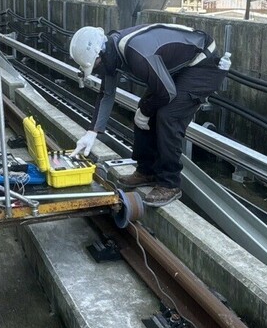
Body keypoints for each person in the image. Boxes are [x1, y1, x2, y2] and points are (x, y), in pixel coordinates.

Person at [69, 24, 230, 207]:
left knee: (167, 116)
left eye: (96, 65)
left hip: (202, 64)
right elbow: (106, 94)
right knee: (144, 109)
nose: (98, 70)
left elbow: (167, 93)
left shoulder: (135, 54)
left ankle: (169, 183)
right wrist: (92, 132)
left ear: (100, 54)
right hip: (180, 65)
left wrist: (145, 111)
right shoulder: (111, 52)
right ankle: (147, 171)